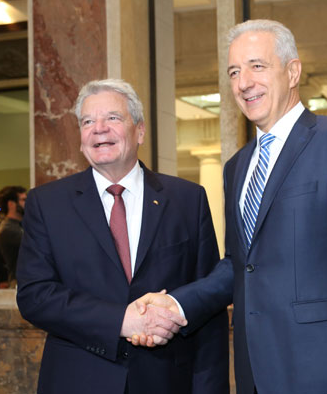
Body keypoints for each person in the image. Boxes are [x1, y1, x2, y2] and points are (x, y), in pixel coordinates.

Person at [135, 19, 327, 394]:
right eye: (234, 72)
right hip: (255, 374)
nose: (244, 82)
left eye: (257, 66)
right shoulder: (237, 168)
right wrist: (177, 306)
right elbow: (239, 266)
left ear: (293, 72)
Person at [15, 79, 229, 394]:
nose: (99, 129)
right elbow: (35, 296)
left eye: (112, 118)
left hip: (168, 382)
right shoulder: (47, 203)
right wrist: (121, 320)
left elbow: (208, 301)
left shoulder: (187, 199)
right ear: (80, 138)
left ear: (139, 130)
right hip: (78, 381)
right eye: (88, 121)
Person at [0, 185, 27, 286]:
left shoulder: (19, 224)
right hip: (19, 282)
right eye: (23, 200)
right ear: (11, 204)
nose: (27, 204)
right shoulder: (7, 229)